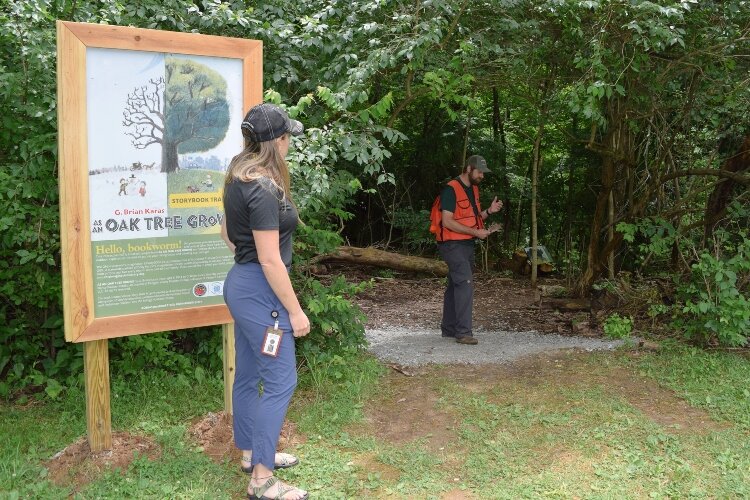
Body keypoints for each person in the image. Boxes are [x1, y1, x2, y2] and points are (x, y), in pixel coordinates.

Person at [221, 103, 309, 500]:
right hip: (262, 291)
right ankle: (261, 478)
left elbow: (225, 232)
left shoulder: (239, 176)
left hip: (242, 282)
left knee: (251, 373)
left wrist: (248, 262)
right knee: (280, 378)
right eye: (288, 136)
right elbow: (271, 258)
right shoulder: (263, 188)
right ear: (278, 141)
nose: (290, 142)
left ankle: (250, 453)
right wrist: (294, 310)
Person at [437, 155, 502, 345]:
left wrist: (489, 211)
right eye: (479, 172)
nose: (482, 175)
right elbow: (447, 221)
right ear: (468, 169)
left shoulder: (473, 189)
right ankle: (463, 332)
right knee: (464, 283)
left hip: (466, 244)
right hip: (451, 245)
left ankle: (449, 329)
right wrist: (475, 232)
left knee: (455, 285)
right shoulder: (451, 189)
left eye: (483, 172)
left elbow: (473, 218)